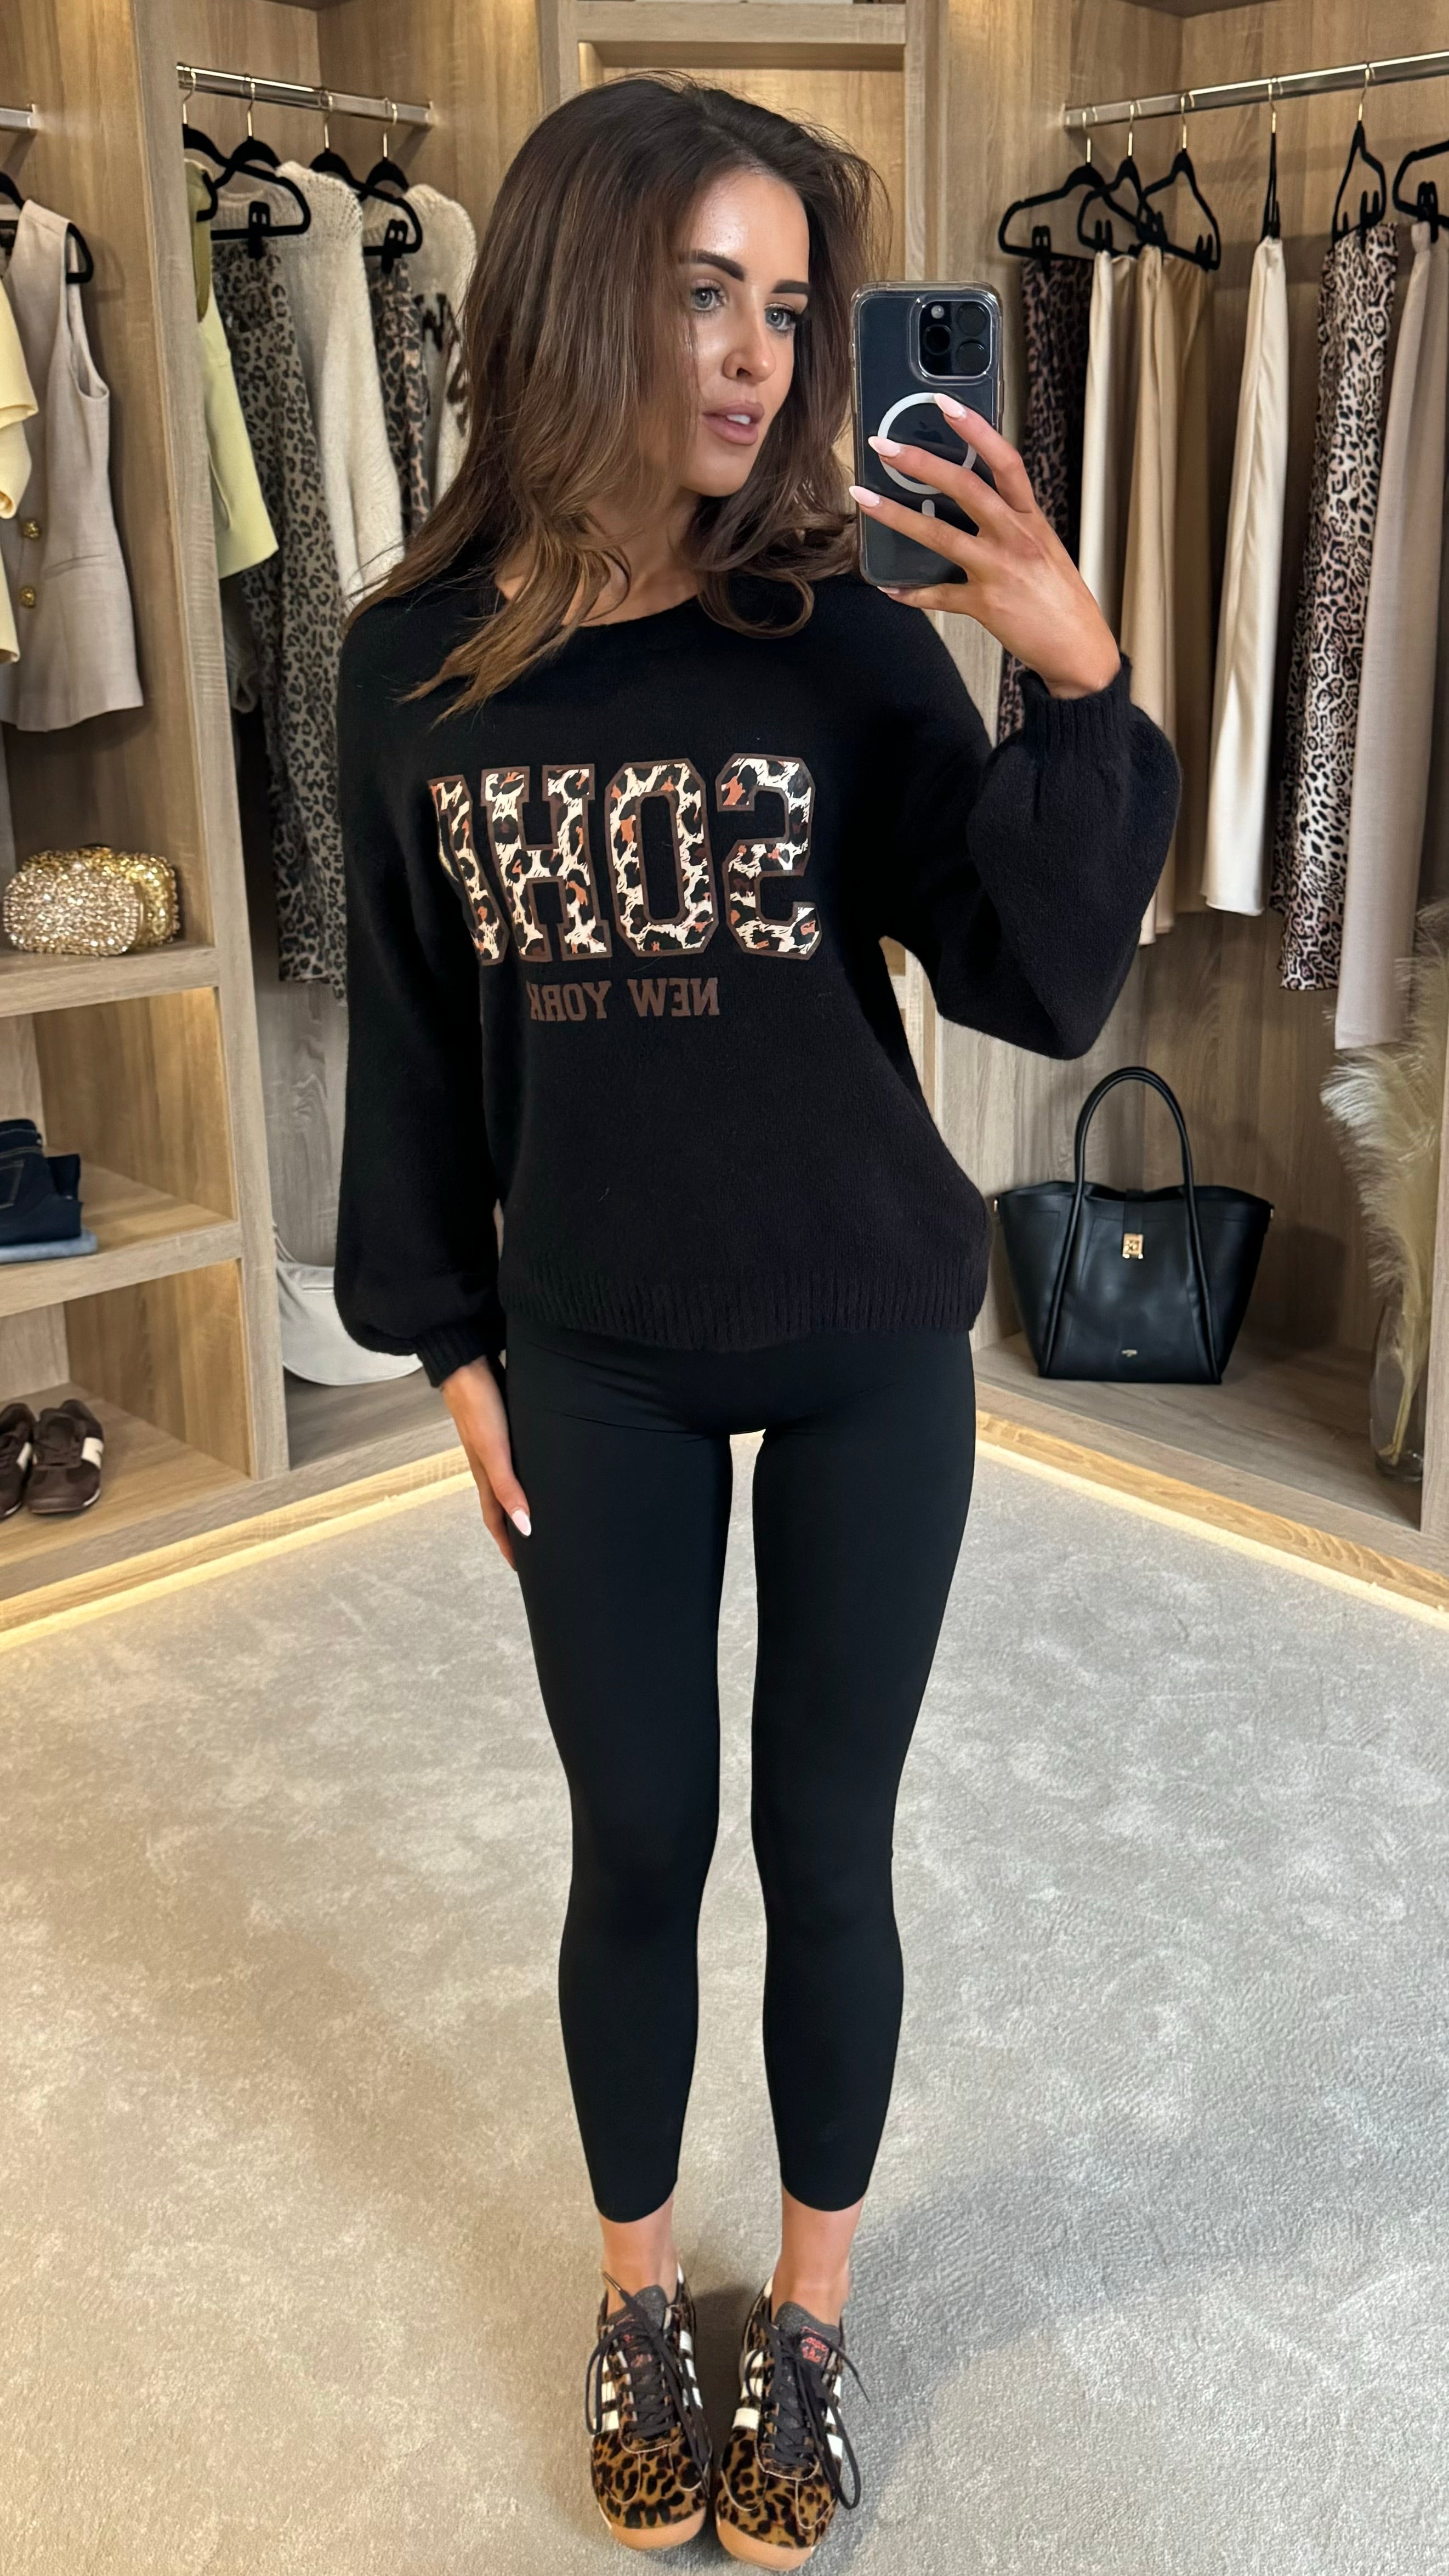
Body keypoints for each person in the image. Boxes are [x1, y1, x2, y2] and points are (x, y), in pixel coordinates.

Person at [334, 75, 1177, 2567]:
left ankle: (804, 2315)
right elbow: (409, 1026)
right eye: (701, 292)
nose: (752, 356)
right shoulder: (408, 664)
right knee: (637, 1836)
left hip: (862, 1332)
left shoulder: (846, 635)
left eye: (788, 308)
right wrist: (445, 1335)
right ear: (572, 294)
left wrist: (1077, 688)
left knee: (826, 1841)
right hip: (589, 1348)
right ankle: (635, 2295)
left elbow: (1028, 978)